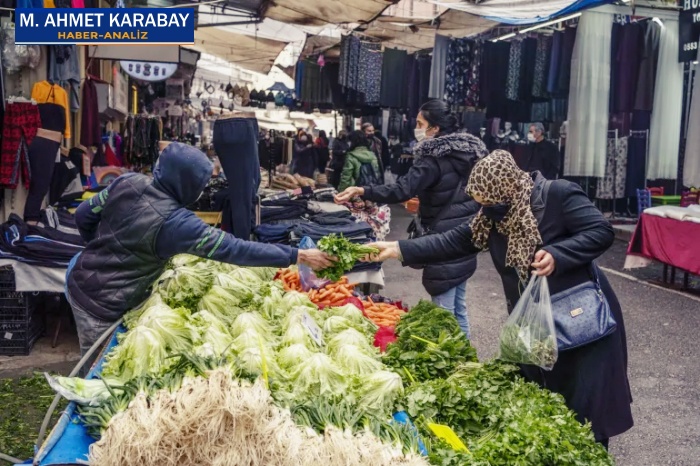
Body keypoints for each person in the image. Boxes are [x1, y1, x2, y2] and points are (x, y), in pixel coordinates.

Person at [369, 150, 633, 447]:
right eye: (481, 204)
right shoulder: (492, 218)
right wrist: (397, 249)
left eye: (489, 203)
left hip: (580, 319)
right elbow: (453, 240)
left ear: (506, 188)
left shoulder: (558, 195)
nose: (485, 210)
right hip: (537, 324)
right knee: (550, 405)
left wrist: (559, 254)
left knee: (587, 409)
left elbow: (600, 231)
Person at [66, 142, 334, 356]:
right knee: (97, 367)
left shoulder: (127, 182)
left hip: (80, 277)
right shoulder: (178, 224)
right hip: (102, 306)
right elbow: (236, 250)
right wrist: (296, 255)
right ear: (189, 185)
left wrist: (97, 247)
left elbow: (83, 215)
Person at [336, 100, 488, 337]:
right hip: (467, 234)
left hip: (441, 237)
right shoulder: (471, 152)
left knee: (444, 312)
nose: (416, 128)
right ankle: (467, 357)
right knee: (458, 305)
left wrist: (363, 190)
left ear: (434, 128)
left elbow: (401, 190)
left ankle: (455, 362)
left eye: (420, 123)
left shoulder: (432, 158)